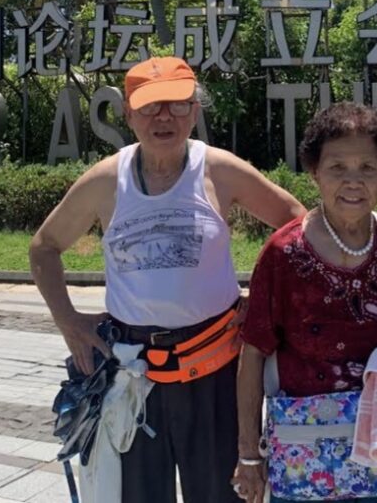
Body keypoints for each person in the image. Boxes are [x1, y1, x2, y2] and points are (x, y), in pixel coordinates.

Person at [29, 57, 305, 503]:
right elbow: (44, 247)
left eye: (177, 105)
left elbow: (295, 224)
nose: (164, 118)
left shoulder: (218, 169)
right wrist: (69, 322)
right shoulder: (106, 180)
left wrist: (262, 302)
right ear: (128, 114)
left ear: (194, 111)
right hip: (134, 376)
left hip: (216, 372)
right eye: (150, 106)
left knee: (221, 496)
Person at [234, 103, 377, 503]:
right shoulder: (284, 253)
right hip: (303, 460)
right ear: (314, 171)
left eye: (367, 167)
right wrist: (249, 454)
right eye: (337, 168)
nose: (353, 181)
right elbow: (253, 353)